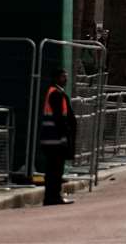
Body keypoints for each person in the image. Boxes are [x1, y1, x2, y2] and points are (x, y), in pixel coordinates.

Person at [40, 68, 78, 206]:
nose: (66, 79)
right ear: (56, 78)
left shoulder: (56, 92)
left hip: (52, 138)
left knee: (54, 170)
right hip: (54, 139)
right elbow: (59, 118)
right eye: (63, 77)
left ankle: (52, 196)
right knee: (55, 170)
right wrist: (64, 137)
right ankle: (53, 196)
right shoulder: (56, 94)